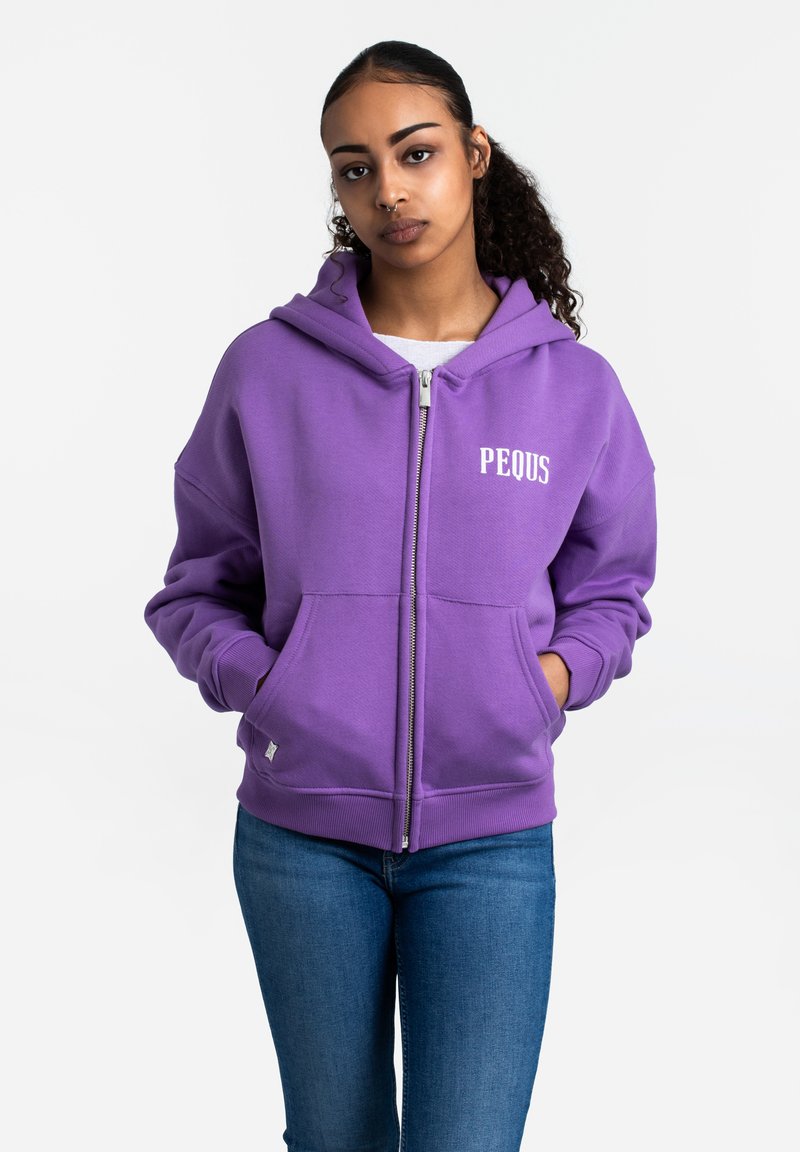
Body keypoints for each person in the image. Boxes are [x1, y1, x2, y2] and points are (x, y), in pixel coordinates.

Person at [143, 39, 657, 1152]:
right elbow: (195, 589)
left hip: (491, 843)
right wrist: (271, 686)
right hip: (301, 839)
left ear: (473, 155)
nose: (387, 188)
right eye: (354, 166)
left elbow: (613, 587)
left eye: (415, 153)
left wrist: (547, 680)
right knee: (334, 1142)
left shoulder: (571, 387)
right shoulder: (267, 370)